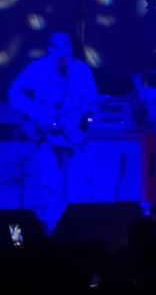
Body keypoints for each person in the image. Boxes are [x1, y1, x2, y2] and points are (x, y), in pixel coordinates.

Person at [7, 31, 98, 231]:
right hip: (46, 135)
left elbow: (92, 101)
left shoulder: (81, 71)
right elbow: (14, 92)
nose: (61, 58)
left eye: (65, 52)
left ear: (70, 50)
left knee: (81, 184)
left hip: (75, 136)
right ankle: (53, 229)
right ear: (49, 50)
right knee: (50, 186)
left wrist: (86, 113)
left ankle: (79, 230)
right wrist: (36, 114)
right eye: (57, 53)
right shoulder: (38, 68)